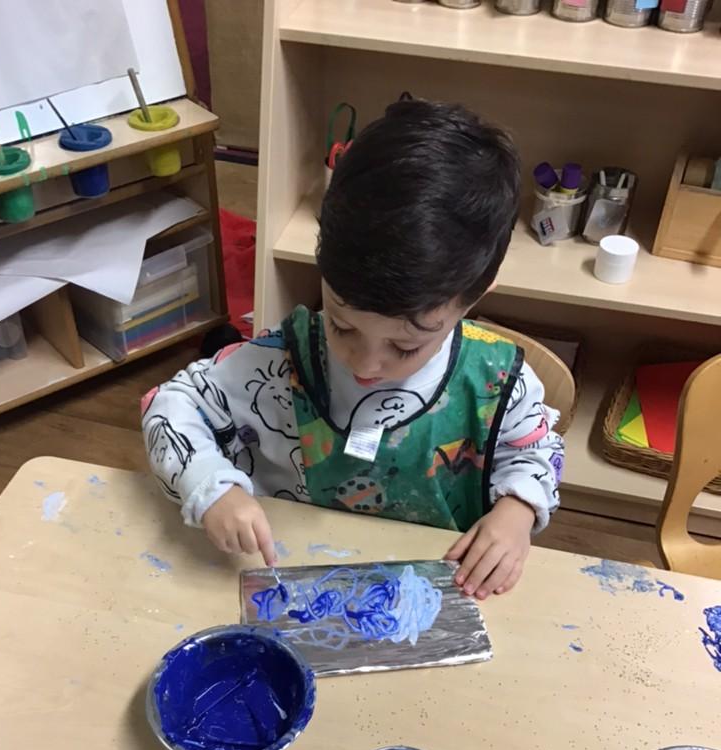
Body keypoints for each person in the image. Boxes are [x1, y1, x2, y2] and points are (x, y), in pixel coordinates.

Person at [141, 99, 564, 600]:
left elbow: (537, 451)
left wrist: (517, 512)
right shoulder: (279, 362)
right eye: (341, 326)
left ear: (476, 296)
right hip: (288, 583)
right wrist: (210, 487)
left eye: (404, 347)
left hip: (435, 595)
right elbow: (168, 404)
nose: (365, 364)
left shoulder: (498, 384)